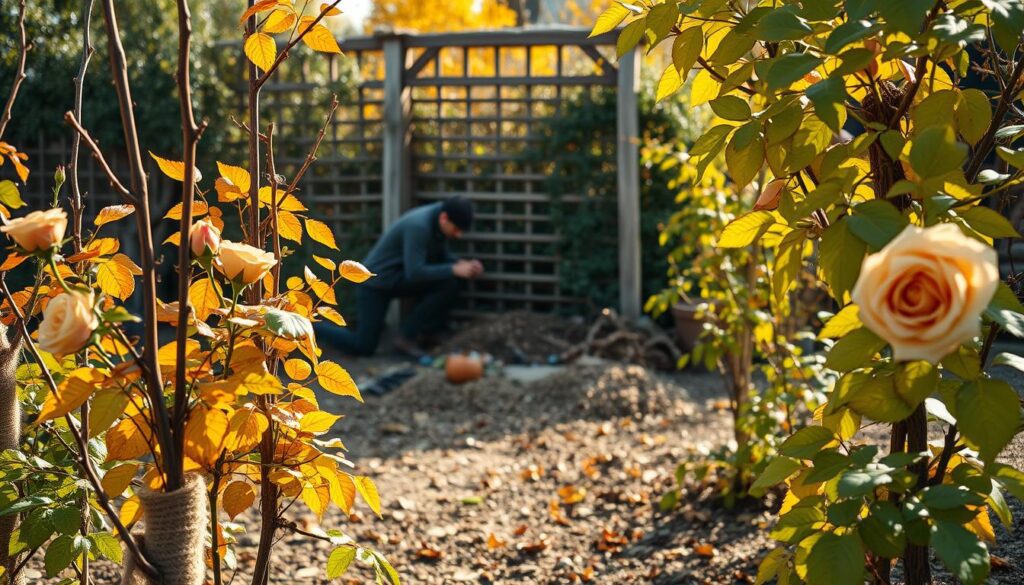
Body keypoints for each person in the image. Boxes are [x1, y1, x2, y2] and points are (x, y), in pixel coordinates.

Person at [323, 196, 483, 357]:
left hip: (397, 277)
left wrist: (462, 264)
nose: (459, 235)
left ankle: (411, 336)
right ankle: (310, 326)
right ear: (444, 218)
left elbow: (438, 255)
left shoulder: (439, 218)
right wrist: (453, 268)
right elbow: (415, 272)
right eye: (456, 229)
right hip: (374, 284)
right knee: (363, 346)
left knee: (449, 283)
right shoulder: (419, 226)